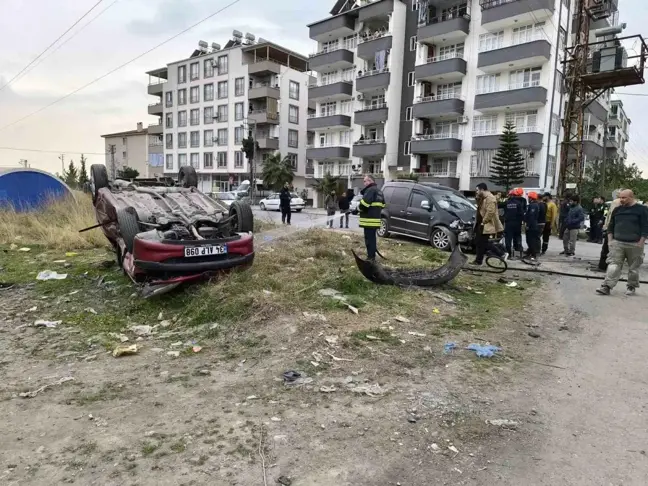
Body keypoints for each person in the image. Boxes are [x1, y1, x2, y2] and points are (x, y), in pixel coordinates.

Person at [596, 189, 648, 296]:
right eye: (620, 197)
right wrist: (610, 240)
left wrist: (641, 241)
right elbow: (611, 226)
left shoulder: (641, 210)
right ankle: (607, 286)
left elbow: (645, 227)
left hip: (635, 244)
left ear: (631, 197)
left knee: (633, 268)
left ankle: (631, 286)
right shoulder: (617, 210)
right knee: (613, 265)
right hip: (618, 243)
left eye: (624, 197)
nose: (621, 200)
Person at [471, 183, 505, 266]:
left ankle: (501, 253)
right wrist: (478, 197)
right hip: (480, 223)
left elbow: (490, 212)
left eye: (477, 190)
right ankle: (478, 260)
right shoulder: (483, 197)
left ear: (482, 190)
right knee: (479, 242)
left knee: (483, 242)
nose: (476, 192)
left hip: (485, 224)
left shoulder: (490, 198)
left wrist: (484, 222)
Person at [358, 175, 385, 261]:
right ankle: (372, 256)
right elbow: (383, 205)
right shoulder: (379, 191)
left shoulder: (370, 190)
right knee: (372, 239)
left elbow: (364, 204)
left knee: (369, 240)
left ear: (370, 181)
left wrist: (357, 209)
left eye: (365, 181)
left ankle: (370, 258)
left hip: (368, 220)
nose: (364, 183)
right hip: (375, 220)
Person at [596, 197, 622, 271]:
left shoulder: (617, 203)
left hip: (613, 228)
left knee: (607, 249)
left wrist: (607, 225)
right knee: (607, 248)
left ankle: (604, 266)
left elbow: (610, 216)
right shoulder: (616, 203)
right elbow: (609, 215)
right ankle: (604, 266)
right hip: (611, 227)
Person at [504, 189, 525, 259]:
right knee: (517, 237)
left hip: (509, 223)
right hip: (517, 224)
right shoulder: (519, 203)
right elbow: (522, 214)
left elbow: (499, 206)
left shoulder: (506, 203)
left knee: (508, 238)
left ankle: (509, 254)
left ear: (510, 195)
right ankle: (519, 252)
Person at [524, 192, 541, 260]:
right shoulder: (534, 205)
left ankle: (533, 255)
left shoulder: (533, 205)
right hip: (533, 225)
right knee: (529, 240)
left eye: (529, 198)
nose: (528, 199)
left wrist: (528, 225)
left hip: (532, 226)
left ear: (531, 198)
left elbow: (531, 216)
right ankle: (530, 253)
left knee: (531, 241)